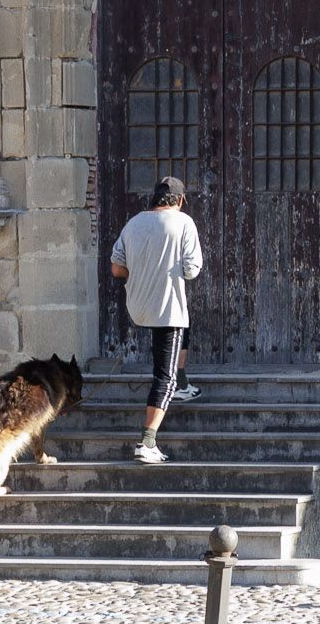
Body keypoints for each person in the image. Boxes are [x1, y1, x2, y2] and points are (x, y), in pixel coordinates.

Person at [110, 175, 204, 464]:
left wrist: (142, 272)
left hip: (139, 306)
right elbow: (192, 270)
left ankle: (184, 383)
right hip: (166, 309)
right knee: (165, 377)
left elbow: (117, 269)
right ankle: (147, 441)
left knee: (182, 325)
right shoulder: (184, 222)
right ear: (179, 200)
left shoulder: (133, 223)